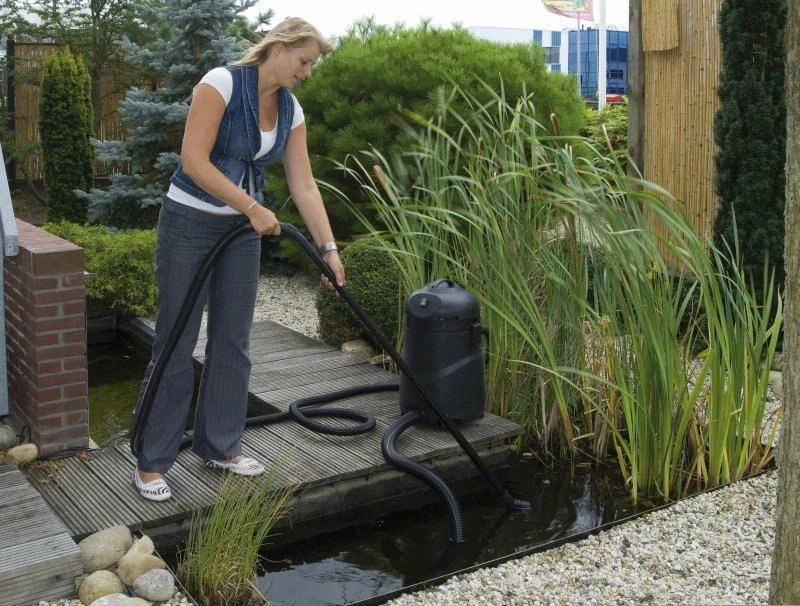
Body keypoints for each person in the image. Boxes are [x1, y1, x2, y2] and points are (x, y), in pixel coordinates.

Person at [132, 17, 344, 502]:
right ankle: (152, 461)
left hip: (241, 234)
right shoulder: (222, 83)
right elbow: (194, 161)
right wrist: (251, 206)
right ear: (279, 48)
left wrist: (328, 249)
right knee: (176, 340)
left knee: (233, 340)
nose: (307, 72)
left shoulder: (291, 111)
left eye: (312, 64)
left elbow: (304, 185)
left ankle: (220, 447)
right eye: (304, 61)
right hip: (189, 224)